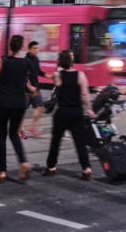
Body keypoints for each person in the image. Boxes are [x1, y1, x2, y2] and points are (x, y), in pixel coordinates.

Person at [41, 49, 95, 179]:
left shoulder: (59, 74)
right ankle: (86, 168)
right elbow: (85, 94)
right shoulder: (80, 75)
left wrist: (60, 64)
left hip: (62, 112)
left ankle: (51, 167)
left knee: (56, 141)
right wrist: (89, 109)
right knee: (80, 142)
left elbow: (57, 83)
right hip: (76, 111)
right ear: (72, 61)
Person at [0, 34, 35, 183]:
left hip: (3, 101)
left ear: (10, 45)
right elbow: (26, 83)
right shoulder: (25, 63)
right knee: (14, 134)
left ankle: (2, 172)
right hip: (19, 103)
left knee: (1, 136)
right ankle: (24, 162)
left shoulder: (4, 60)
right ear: (21, 47)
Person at [20, 40, 48, 139]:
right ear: (29, 49)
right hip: (27, 90)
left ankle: (31, 127)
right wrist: (29, 87)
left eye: (37, 48)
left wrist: (47, 75)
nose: (37, 50)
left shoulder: (36, 59)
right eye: (35, 48)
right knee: (23, 110)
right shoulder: (25, 60)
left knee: (40, 107)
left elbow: (38, 71)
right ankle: (19, 129)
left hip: (36, 88)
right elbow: (24, 76)